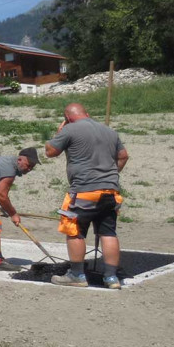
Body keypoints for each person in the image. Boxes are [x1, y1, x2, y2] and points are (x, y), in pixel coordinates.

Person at [45, 103, 129, 289]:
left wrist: (59, 133)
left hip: (84, 190)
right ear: (87, 114)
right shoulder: (109, 131)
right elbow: (123, 156)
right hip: (110, 192)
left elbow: (50, 152)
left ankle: (77, 275)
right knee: (108, 233)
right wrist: (110, 175)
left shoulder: (70, 129)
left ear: (67, 118)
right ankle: (111, 277)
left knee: (74, 231)